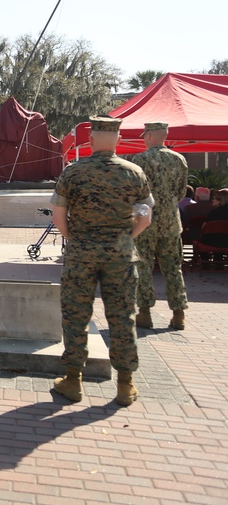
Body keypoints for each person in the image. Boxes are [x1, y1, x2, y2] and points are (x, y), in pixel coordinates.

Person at [50, 116, 153, 407]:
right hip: (120, 254)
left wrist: (75, 237)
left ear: (91, 140)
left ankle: (73, 380)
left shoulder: (73, 172)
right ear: (118, 140)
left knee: (75, 315)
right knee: (122, 317)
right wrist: (126, 237)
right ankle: (125, 385)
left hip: (82, 251)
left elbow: (58, 215)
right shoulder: (135, 173)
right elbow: (145, 216)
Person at [131, 122, 190, 331]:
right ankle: (178, 314)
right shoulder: (179, 159)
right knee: (173, 268)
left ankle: (145, 313)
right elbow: (182, 192)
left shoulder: (140, 160)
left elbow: (135, 192)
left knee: (144, 267)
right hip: (171, 223)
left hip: (145, 221)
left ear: (148, 136)